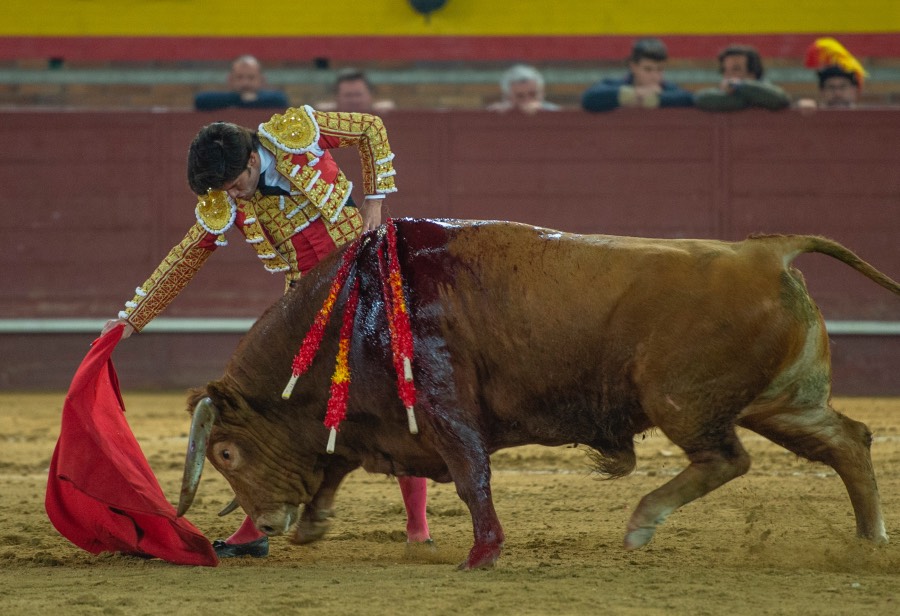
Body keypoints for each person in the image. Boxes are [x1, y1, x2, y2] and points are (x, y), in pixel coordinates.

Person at [100, 105, 431, 557]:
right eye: (223, 190)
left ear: (253, 160)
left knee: (396, 396)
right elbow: (186, 256)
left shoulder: (297, 134)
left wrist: (375, 199)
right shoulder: (226, 198)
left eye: (235, 184)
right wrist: (132, 318)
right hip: (304, 306)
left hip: (366, 282)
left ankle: (418, 528)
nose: (232, 195)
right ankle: (253, 530)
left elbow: (370, 128)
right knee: (276, 413)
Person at [581, 38, 694, 112]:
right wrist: (636, 93)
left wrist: (657, 99)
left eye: (660, 70)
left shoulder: (667, 88)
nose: (655, 76)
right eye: (648, 69)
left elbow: (690, 98)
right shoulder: (616, 84)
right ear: (633, 66)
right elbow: (589, 98)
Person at [693, 44, 791, 112]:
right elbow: (701, 99)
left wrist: (738, 86)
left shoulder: (768, 90)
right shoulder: (722, 91)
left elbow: (779, 100)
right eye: (725, 70)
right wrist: (751, 99)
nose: (728, 75)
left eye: (736, 69)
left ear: (752, 74)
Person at [194, 55, 290, 111]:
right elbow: (201, 100)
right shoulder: (219, 100)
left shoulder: (274, 100)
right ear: (230, 79)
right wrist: (239, 98)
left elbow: (280, 100)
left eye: (251, 77)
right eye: (239, 77)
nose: (245, 83)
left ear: (262, 80)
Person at [796, 38, 868, 110]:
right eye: (831, 87)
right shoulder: (813, 114)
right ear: (822, 91)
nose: (837, 93)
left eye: (843, 87)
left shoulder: (867, 116)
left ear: (854, 90)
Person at [486, 64, 561, 114]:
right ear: (507, 97)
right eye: (520, 96)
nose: (527, 101)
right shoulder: (497, 113)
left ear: (542, 93)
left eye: (533, 94)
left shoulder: (556, 114)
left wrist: (542, 112)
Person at [316, 68, 396, 113]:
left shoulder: (386, 112)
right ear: (336, 97)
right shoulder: (323, 116)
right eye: (348, 95)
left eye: (358, 94)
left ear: (370, 95)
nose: (354, 100)